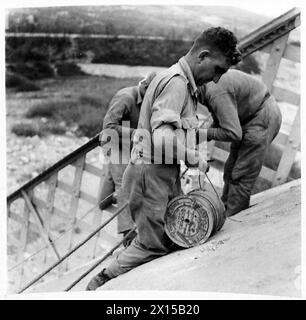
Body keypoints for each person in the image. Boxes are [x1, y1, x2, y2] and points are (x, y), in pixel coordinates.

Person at [86, 27, 241, 290]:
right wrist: (191, 156)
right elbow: (162, 139)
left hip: (159, 173)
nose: (216, 80)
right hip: (150, 174)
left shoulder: (176, 78)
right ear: (203, 56)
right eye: (218, 70)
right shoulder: (177, 83)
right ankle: (102, 282)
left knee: (169, 233)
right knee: (153, 246)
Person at [198, 69, 282, 217]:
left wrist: (202, 134)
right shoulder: (208, 84)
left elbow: (232, 133)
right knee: (230, 169)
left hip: (260, 117)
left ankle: (235, 221)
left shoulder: (216, 92)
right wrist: (202, 135)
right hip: (247, 117)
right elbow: (222, 118)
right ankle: (225, 213)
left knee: (241, 175)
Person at [98, 72, 156, 247]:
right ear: (145, 87)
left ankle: (104, 200)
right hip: (114, 143)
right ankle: (127, 235)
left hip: (131, 145)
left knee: (114, 177)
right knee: (123, 185)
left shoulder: (150, 100)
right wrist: (137, 134)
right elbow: (108, 128)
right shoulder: (126, 97)